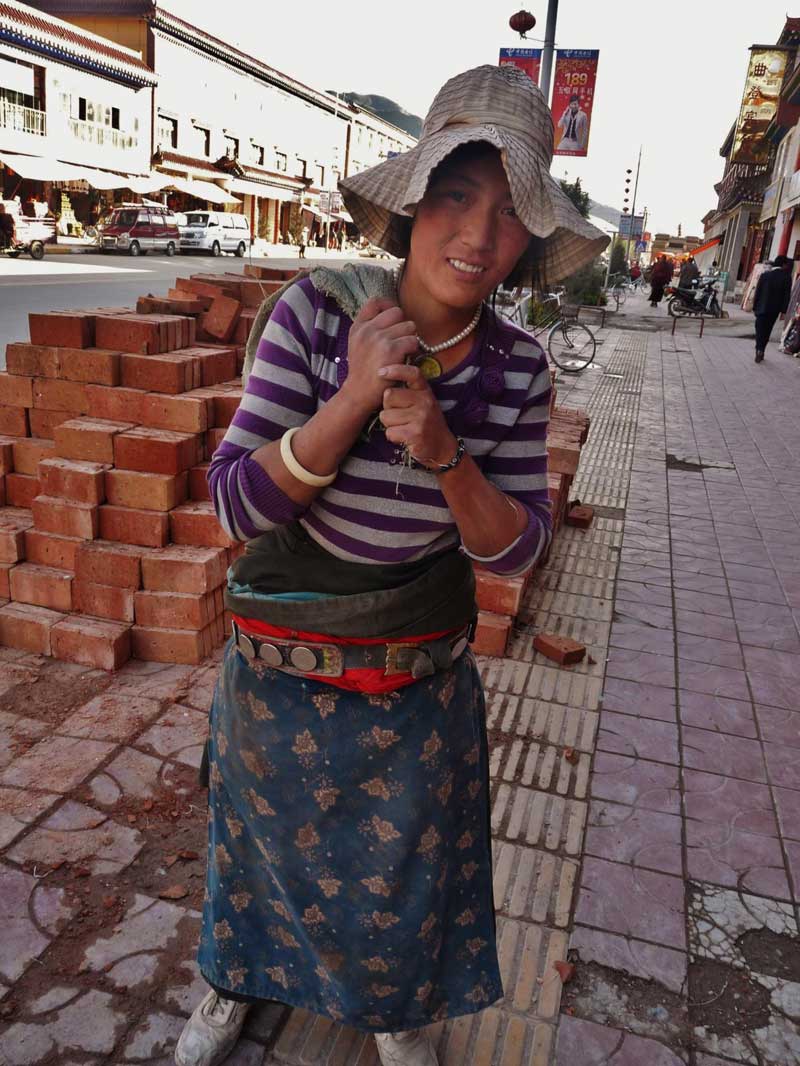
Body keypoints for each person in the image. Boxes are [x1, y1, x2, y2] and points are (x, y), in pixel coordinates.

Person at [173, 63, 607, 1066]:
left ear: (531, 237)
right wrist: (354, 399)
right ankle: (227, 985)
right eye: (454, 196)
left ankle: (399, 1014)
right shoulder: (315, 315)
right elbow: (236, 503)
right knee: (255, 853)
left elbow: (516, 547)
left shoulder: (512, 371)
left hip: (413, 681)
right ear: (410, 204)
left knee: (409, 872)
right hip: (281, 670)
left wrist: (445, 452)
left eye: (506, 213)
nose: (474, 235)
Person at [753, 254, 794, 362]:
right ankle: (761, 349)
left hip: (761, 307)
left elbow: (758, 292)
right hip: (774, 310)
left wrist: (754, 306)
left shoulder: (765, 275)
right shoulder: (786, 277)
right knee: (767, 329)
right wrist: (784, 311)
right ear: (784, 264)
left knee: (759, 329)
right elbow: (786, 296)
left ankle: (759, 348)